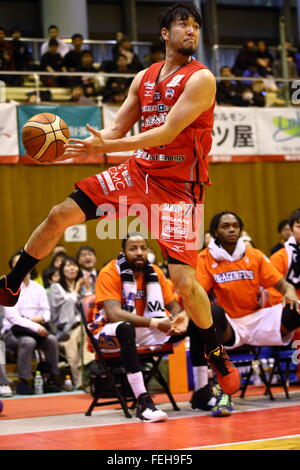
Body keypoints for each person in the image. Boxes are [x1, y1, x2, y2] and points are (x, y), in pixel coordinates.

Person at [0, 3, 240, 397]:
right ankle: (11, 281)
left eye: (195, 26)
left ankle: (213, 348)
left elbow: (165, 132)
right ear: (165, 33)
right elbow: (118, 126)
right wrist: (91, 145)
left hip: (180, 189)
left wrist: (109, 145)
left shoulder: (202, 80)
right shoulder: (143, 78)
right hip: (139, 171)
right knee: (60, 213)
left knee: (183, 280)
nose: (191, 32)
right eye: (183, 25)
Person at [90, 233, 225, 421]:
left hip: (147, 329)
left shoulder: (155, 272)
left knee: (197, 322)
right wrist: (155, 323)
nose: (139, 253)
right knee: (125, 327)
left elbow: (174, 307)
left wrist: (181, 319)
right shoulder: (109, 272)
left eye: (143, 248)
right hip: (109, 332)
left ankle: (202, 392)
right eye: (133, 248)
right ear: (123, 252)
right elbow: (114, 314)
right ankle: (143, 402)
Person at [196, 211, 300, 415]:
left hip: (258, 319)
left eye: (235, 225)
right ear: (215, 231)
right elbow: (198, 294)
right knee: (211, 311)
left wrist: (291, 295)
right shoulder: (205, 258)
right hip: (229, 324)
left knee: (297, 307)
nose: (232, 229)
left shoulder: (254, 254)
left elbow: (283, 285)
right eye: (225, 226)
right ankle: (224, 393)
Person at [1, 251, 61, 395]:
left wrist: (37, 321)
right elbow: (13, 317)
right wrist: (34, 325)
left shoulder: (38, 288)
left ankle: (50, 378)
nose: (23, 267)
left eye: (25, 264)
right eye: (17, 265)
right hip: (12, 332)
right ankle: (23, 381)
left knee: (52, 340)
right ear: (12, 269)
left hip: (36, 328)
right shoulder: (8, 287)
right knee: (28, 342)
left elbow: (47, 313)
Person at [48, 256, 94, 388]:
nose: (72, 268)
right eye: (68, 265)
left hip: (82, 328)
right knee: (79, 339)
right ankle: (86, 373)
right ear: (62, 270)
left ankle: (81, 380)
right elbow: (63, 315)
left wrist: (87, 289)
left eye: (74, 265)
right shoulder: (56, 287)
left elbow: (90, 309)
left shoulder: (83, 286)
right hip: (64, 330)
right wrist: (77, 288)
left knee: (82, 336)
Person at [268, 209, 300, 306]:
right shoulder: (279, 257)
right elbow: (273, 291)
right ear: (291, 230)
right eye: (299, 227)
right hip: (291, 307)